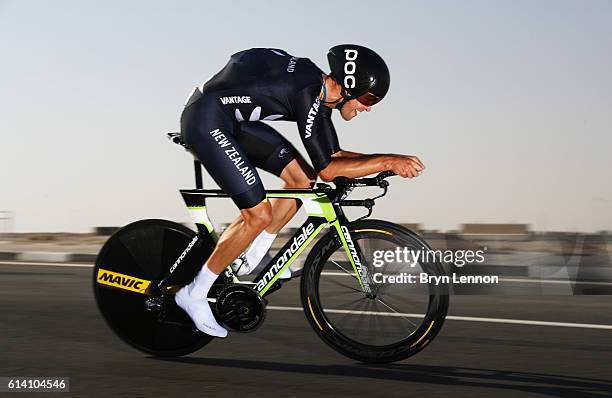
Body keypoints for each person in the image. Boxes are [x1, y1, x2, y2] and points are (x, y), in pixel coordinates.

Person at [175, 45, 425, 337]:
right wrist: (388, 161)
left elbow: (333, 156)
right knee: (258, 215)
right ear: (347, 86)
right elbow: (330, 170)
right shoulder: (307, 92)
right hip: (206, 121)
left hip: (232, 120)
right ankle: (194, 293)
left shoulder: (317, 96)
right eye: (368, 98)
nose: (368, 107)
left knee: (302, 180)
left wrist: (384, 162)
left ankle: (254, 256)